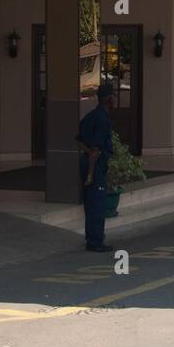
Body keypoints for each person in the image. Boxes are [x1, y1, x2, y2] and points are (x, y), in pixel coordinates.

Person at [76, 83, 117, 252]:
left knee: (89, 203)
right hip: (95, 166)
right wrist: (91, 174)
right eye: (113, 96)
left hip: (86, 162)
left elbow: (79, 141)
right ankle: (97, 241)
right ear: (108, 99)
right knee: (98, 204)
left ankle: (91, 239)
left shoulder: (90, 116)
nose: (114, 99)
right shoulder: (103, 119)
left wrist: (88, 161)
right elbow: (95, 150)